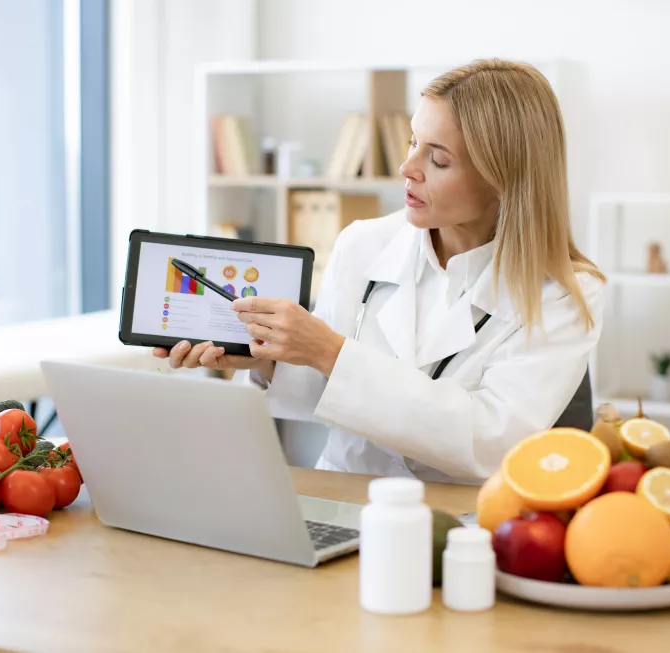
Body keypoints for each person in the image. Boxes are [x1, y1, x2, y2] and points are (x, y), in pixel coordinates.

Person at [154, 58, 606, 484]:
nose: (407, 168)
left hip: (459, 525)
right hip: (343, 499)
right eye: (413, 142)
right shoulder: (363, 244)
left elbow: (491, 441)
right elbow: (325, 395)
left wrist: (330, 351)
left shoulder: (566, 294)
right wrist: (271, 361)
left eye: (438, 158)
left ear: (503, 176)